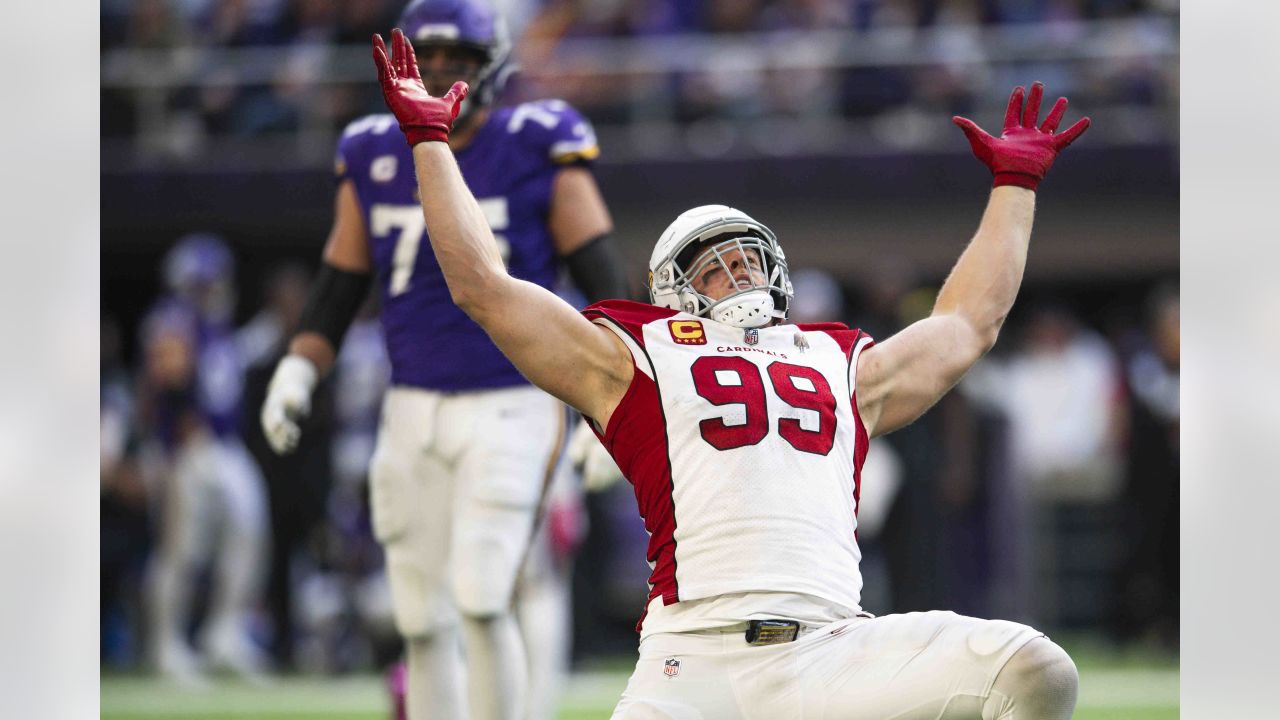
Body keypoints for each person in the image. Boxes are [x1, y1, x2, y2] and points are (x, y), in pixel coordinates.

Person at [372, 24, 1092, 719]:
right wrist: (432, 142)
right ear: (673, 290)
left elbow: (967, 325)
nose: (739, 265)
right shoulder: (638, 355)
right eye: (714, 262)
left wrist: (1015, 184)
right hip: (693, 662)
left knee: (1036, 671)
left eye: (748, 254)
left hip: (832, 647)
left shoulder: (835, 357)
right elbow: (484, 289)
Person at [259, 1, 628, 718]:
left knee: (485, 598)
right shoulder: (370, 147)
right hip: (411, 402)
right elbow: (341, 282)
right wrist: (299, 367)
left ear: (493, 68)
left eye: (458, 60)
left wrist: (608, 407)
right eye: (427, 58)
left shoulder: (534, 139)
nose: (439, 74)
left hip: (514, 397)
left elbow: (606, 286)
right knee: (420, 619)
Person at [142, 234, 270, 682]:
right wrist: (174, 425)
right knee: (182, 550)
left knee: (248, 533)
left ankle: (225, 634)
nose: (216, 289)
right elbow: (167, 375)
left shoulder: (215, 325)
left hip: (224, 444)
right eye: (207, 282)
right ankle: (165, 645)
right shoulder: (174, 320)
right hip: (189, 446)